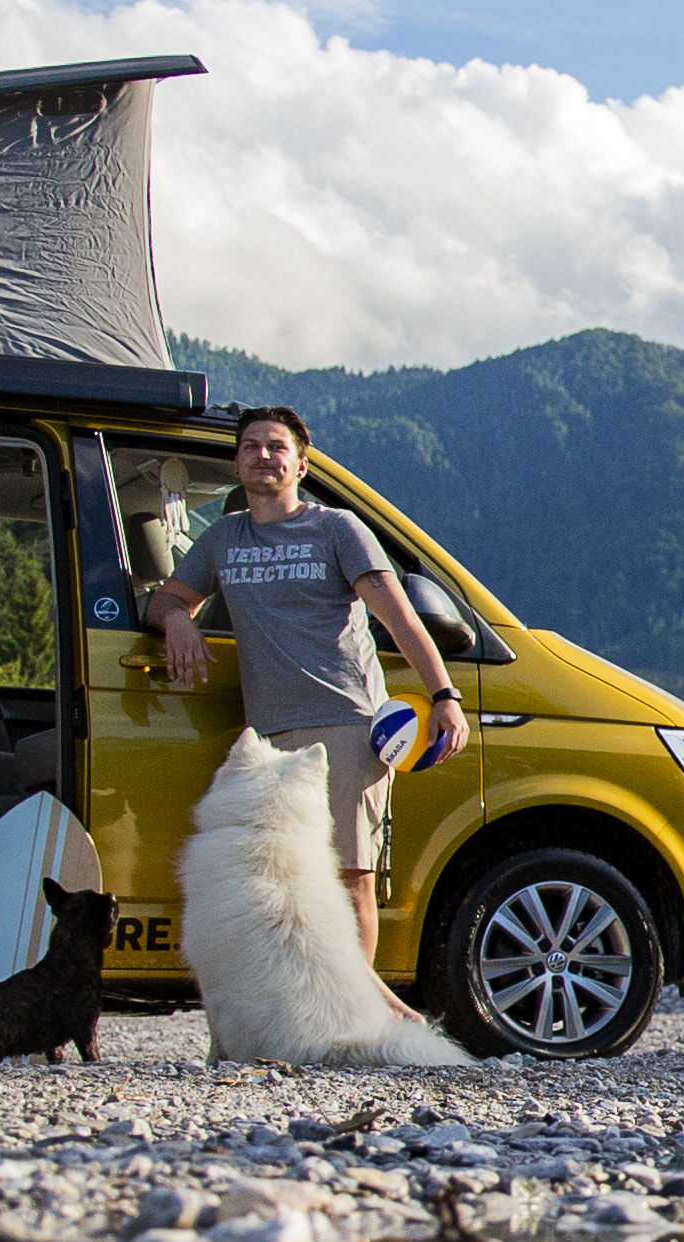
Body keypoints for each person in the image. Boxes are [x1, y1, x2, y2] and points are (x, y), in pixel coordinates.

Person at [149, 407, 472, 965]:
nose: (263, 455)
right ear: (237, 463)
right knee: (281, 882)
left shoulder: (337, 528)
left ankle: (352, 1024)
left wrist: (445, 696)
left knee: (347, 879)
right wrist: (178, 619)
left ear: (301, 464)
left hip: (345, 724)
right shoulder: (225, 538)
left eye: (276, 446)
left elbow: (399, 618)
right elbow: (166, 598)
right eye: (251, 446)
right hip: (266, 742)